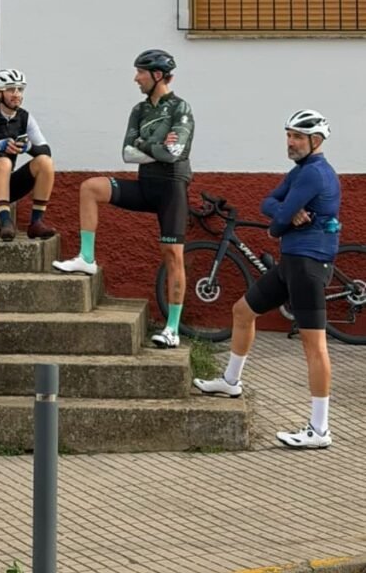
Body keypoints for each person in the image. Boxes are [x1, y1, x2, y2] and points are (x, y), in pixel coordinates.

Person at [194, 109, 341, 449]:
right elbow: (268, 204)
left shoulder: (314, 175)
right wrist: (285, 212)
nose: (290, 142)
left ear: (315, 141)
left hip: (308, 264)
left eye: (297, 137)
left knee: (314, 346)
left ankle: (319, 430)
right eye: (288, 135)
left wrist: (283, 216)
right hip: (292, 262)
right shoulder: (300, 171)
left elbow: (275, 226)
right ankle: (231, 381)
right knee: (242, 311)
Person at [53, 49, 195, 349]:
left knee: (172, 255)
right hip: (146, 183)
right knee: (91, 187)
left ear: (157, 75)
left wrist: (147, 145)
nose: (136, 78)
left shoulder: (181, 108)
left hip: (172, 187)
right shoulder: (139, 110)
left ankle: (172, 329)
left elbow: (175, 154)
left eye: (140, 72)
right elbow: (128, 152)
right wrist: (156, 143)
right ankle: (87, 258)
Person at [0, 68, 56, 242]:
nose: (17, 95)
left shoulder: (25, 117)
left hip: (6, 184)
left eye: (20, 90)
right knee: (4, 162)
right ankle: (5, 221)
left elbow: (46, 151)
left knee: (45, 162)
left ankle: (36, 223)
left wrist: (28, 147)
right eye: (11, 90)